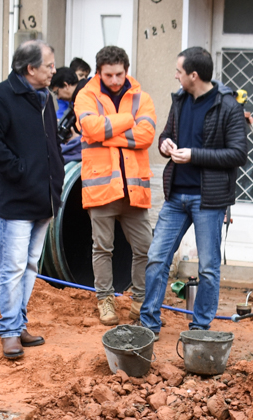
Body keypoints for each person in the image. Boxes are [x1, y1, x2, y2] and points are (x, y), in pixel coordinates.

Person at [137, 47, 247, 338]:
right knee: (157, 259)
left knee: (209, 267)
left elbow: (238, 154)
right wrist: (165, 145)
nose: (175, 75)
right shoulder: (180, 100)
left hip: (208, 199)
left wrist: (195, 155)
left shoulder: (228, 105)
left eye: (179, 71)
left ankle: (200, 328)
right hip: (175, 197)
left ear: (193, 75)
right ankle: (149, 323)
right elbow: (166, 134)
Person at [0, 40, 64, 361]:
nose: (54, 70)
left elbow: (50, 142)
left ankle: (20, 323)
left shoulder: (46, 99)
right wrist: (20, 169)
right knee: (12, 267)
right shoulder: (1, 97)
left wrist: (57, 173)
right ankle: (10, 332)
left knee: (30, 264)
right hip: (17, 196)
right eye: (49, 65)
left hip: (45, 196)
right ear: (30, 69)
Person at [75, 45, 156, 325]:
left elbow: (146, 136)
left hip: (134, 188)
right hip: (102, 188)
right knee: (102, 248)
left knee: (146, 248)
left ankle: (141, 301)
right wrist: (126, 121)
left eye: (119, 74)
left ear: (126, 70)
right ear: (99, 72)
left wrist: (106, 134)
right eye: (108, 75)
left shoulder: (141, 97)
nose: (115, 81)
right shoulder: (86, 95)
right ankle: (105, 300)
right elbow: (91, 129)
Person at [50, 67, 83, 162]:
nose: (58, 97)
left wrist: (77, 139)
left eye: (57, 92)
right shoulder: (78, 98)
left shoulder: (83, 98)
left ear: (66, 85)